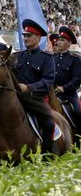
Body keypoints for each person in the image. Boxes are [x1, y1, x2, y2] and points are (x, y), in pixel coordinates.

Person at [12, 19, 56, 153]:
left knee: (49, 124)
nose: (25, 38)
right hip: (16, 97)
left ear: (38, 37)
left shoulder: (46, 58)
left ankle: (47, 155)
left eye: (29, 35)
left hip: (35, 99)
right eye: (24, 35)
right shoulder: (17, 56)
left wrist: (29, 87)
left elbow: (48, 81)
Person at [53, 26, 81, 129]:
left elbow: (77, 80)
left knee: (78, 113)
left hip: (68, 95)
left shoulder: (75, 60)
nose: (58, 42)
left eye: (62, 40)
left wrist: (64, 88)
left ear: (69, 43)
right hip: (52, 93)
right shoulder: (52, 58)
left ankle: (78, 141)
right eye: (58, 40)